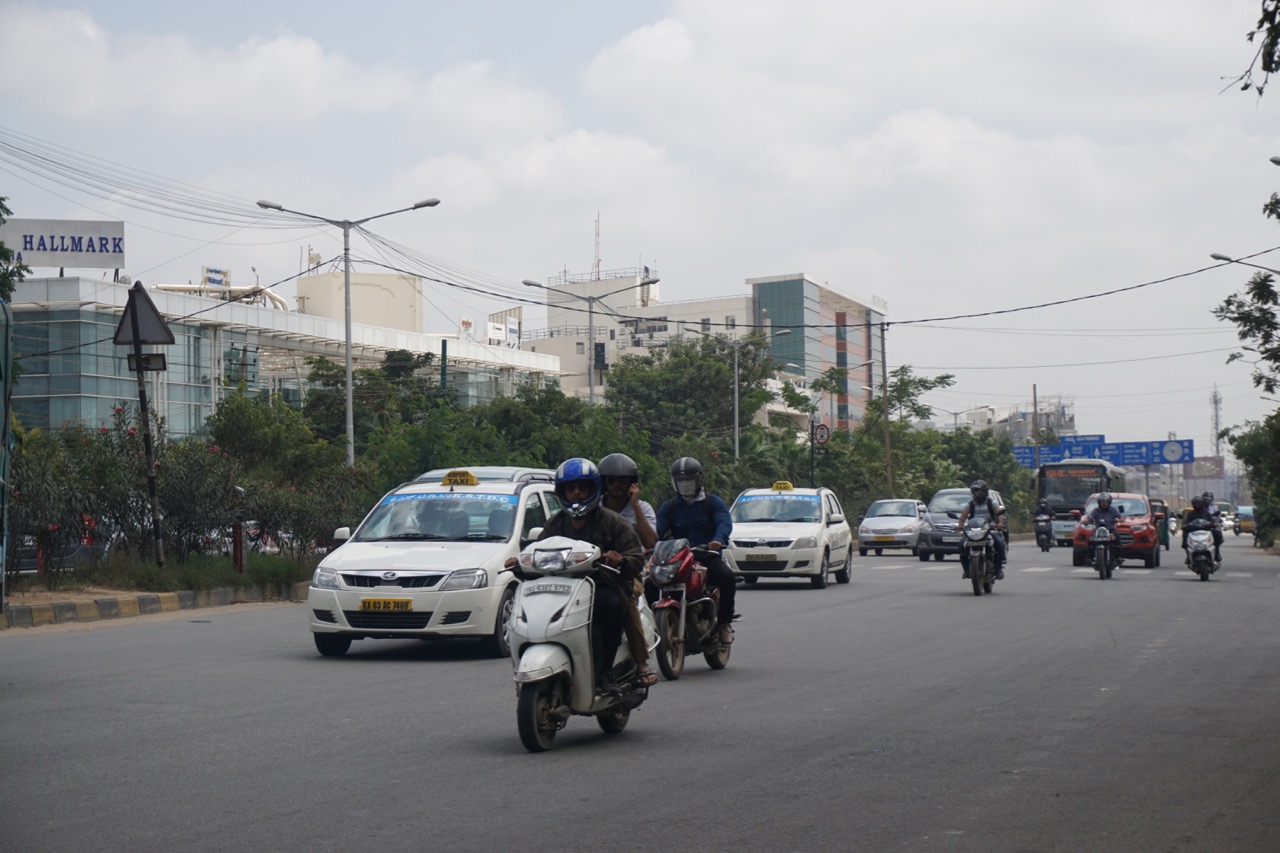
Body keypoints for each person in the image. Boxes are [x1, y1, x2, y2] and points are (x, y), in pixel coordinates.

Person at [505, 458, 643, 697]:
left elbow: (636, 559)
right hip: (559, 588)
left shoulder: (613, 521)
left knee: (609, 606)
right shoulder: (555, 523)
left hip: (602, 585)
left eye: (582, 487)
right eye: (571, 488)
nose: (577, 492)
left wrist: (619, 559)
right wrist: (519, 565)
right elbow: (538, 554)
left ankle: (606, 673)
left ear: (592, 490)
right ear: (563, 492)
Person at [655, 456, 737, 646]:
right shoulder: (670, 507)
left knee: (727, 577)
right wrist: (647, 544)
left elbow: (724, 522)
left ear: (698, 479)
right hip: (678, 562)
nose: (685, 485)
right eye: (681, 481)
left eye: (689, 480)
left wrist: (717, 540)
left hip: (706, 558)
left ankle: (724, 623)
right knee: (651, 584)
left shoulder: (712, 502)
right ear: (674, 482)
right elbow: (656, 530)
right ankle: (655, 625)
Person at [598, 452, 659, 687]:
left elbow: (651, 541)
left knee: (626, 601)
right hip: (592, 571)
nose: (616, 486)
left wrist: (635, 507)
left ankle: (642, 660)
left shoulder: (642, 508)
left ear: (631, 483)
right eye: (611, 481)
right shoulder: (592, 508)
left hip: (627, 572)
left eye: (622, 481)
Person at [956, 479, 1007, 580]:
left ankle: (999, 568)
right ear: (973, 492)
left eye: (981, 491)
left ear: (985, 491)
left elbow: (999, 513)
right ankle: (966, 570)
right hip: (974, 531)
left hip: (989, 530)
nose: (979, 493)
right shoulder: (970, 504)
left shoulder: (991, 502)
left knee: (999, 542)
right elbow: (963, 517)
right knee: (962, 544)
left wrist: (1000, 523)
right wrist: (960, 525)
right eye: (976, 490)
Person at [1085, 492, 1123, 566]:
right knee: (1090, 539)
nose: (1104, 504)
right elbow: (1089, 517)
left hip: (1110, 530)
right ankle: (1089, 558)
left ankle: (1118, 557)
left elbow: (1120, 516)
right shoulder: (1095, 510)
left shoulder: (1113, 510)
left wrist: (1121, 519)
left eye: (1105, 502)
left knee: (1117, 537)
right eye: (1102, 502)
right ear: (1099, 502)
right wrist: (1086, 521)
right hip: (1098, 530)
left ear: (1109, 502)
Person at [1183, 495, 1223, 562]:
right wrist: (1185, 526)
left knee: (1216, 533)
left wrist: (1214, 524)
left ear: (1202, 504)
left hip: (1206, 531)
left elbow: (1212, 521)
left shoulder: (1206, 513)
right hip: (1194, 532)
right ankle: (1188, 556)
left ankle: (1217, 554)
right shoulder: (1190, 514)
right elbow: (1186, 522)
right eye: (1195, 503)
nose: (1197, 505)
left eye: (1198, 503)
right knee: (1185, 534)